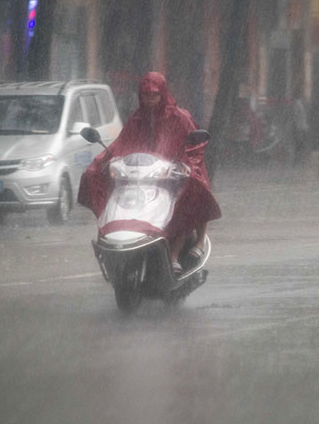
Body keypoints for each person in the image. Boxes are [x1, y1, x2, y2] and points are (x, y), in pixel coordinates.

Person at [77, 72, 221, 276]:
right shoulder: (137, 119)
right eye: (145, 95)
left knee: (191, 192)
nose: (150, 99)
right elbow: (122, 144)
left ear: (162, 94)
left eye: (154, 94)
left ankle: (179, 251)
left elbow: (195, 145)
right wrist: (105, 160)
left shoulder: (180, 117)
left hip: (173, 175)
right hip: (144, 177)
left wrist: (185, 163)